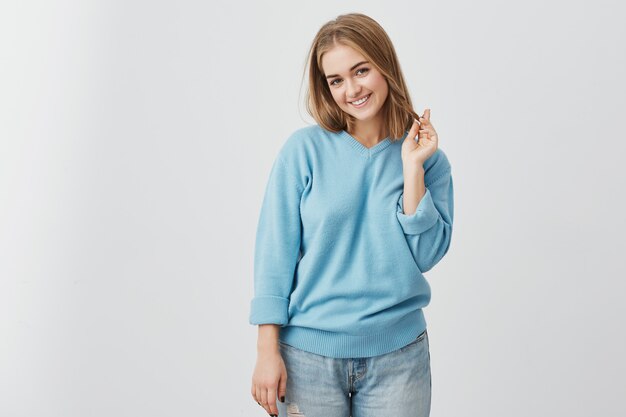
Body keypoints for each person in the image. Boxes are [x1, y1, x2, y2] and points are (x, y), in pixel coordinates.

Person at [249, 12, 454, 417]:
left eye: (361, 71)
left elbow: (427, 255)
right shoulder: (303, 151)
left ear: (385, 67)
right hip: (307, 357)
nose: (352, 89)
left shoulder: (430, 161)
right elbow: (275, 254)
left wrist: (412, 169)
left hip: (400, 357)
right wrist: (265, 351)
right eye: (336, 80)